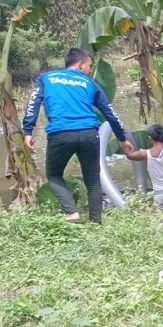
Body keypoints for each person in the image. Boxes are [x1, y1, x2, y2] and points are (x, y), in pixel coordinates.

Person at [22, 48, 134, 223]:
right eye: (90, 65)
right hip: (89, 134)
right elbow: (110, 113)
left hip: (60, 134)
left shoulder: (46, 77)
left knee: (54, 175)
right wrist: (122, 138)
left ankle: (72, 211)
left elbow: (33, 103)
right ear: (81, 64)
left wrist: (28, 131)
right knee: (93, 180)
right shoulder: (89, 83)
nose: (90, 69)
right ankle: (96, 223)